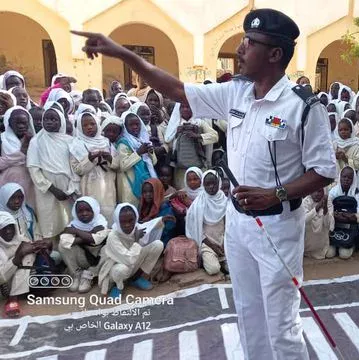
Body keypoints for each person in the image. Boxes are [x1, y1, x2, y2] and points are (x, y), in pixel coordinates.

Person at [74, 9, 337, 357]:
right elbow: (175, 89)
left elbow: (324, 170)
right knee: (248, 315)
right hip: (239, 224)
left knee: (282, 325)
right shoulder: (236, 93)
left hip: (277, 226)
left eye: (250, 43)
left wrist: (275, 193)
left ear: (275, 54)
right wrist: (122, 53)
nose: (241, 49)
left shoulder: (302, 106)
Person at [26, 107, 78, 241]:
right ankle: (51, 250)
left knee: (68, 219)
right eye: (46, 119)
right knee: (49, 220)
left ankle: (66, 248)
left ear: (61, 122)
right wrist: (52, 189)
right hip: (46, 191)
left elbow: (74, 166)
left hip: (67, 189)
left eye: (54, 119)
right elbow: (34, 169)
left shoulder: (69, 141)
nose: (49, 122)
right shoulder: (36, 141)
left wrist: (72, 187)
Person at [97, 203, 164, 297]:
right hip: (116, 268)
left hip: (132, 265)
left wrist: (162, 220)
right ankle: (118, 286)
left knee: (158, 245)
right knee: (120, 270)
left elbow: (149, 226)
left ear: (135, 219)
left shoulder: (136, 228)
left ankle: (135, 278)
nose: (127, 225)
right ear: (117, 221)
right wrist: (136, 240)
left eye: (131, 221)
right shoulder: (113, 236)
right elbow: (128, 260)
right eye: (123, 222)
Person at [69, 112, 117, 222]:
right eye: (85, 125)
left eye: (92, 124)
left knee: (108, 212)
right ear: (80, 128)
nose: (89, 127)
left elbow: (117, 164)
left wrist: (109, 158)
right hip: (89, 184)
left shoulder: (106, 142)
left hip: (107, 184)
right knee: (92, 212)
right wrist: (89, 159)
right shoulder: (76, 145)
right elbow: (77, 169)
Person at [59, 197, 110, 293]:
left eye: (88, 210)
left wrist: (76, 231)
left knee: (110, 248)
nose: (84, 213)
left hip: (98, 259)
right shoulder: (74, 224)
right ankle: (76, 274)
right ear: (75, 212)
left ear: (94, 210)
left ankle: (88, 276)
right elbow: (64, 241)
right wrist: (89, 234)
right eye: (80, 211)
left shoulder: (100, 222)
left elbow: (96, 240)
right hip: (82, 258)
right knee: (62, 246)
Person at [0, 211, 44, 318]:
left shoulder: (20, 238)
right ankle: (13, 297)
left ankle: (13, 297)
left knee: (28, 254)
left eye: (11, 227)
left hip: (18, 281)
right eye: (4, 228)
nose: (9, 231)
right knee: (23, 255)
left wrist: (39, 247)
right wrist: (17, 258)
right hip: (3, 286)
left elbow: (32, 251)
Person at [164, 102, 218, 186]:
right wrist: (176, 134)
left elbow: (215, 136)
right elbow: (168, 142)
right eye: (183, 107)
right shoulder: (175, 124)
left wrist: (197, 136)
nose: (185, 109)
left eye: (188, 107)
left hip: (199, 167)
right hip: (181, 169)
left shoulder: (199, 123)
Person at [185, 170, 227, 275]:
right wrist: (213, 246)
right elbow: (195, 229)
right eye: (207, 184)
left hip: (224, 243)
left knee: (235, 268)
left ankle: (222, 260)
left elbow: (229, 225)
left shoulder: (224, 201)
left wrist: (224, 243)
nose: (211, 187)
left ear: (219, 183)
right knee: (214, 269)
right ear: (203, 185)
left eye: (214, 183)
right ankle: (207, 259)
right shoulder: (199, 203)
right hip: (206, 244)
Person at [116, 111, 157, 206]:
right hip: (130, 183)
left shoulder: (144, 140)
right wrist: (138, 152)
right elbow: (123, 165)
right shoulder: (123, 143)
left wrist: (150, 152)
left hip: (146, 182)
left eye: (137, 124)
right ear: (125, 127)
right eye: (131, 125)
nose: (135, 127)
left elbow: (153, 163)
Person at [0, 106, 36, 208]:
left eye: (24, 123)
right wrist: (21, 154)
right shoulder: (2, 139)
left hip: (30, 186)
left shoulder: (34, 140)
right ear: (9, 123)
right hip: (7, 184)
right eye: (17, 123)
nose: (21, 126)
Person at [328, 166, 359, 259]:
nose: (346, 179)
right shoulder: (333, 191)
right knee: (329, 253)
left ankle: (352, 244)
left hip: (350, 227)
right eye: (344, 177)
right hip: (335, 226)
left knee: (344, 255)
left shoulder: (356, 193)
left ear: (353, 179)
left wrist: (351, 217)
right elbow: (328, 209)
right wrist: (335, 216)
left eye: (349, 178)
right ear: (340, 177)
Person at [138, 179, 176, 246]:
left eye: (151, 191)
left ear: (157, 191)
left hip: (162, 243)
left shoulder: (166, 208)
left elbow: (166, 230)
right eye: (144, 192)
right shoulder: (144, 207)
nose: (147, 194)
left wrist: (152, 223)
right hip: (147, 241)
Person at [333, 118, 359, 187]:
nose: (343, 132)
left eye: (346, 130)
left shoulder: (356, 144)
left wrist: (345, 159)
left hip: (352, 179)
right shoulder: (335, 144)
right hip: (337, 179)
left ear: (351, 130)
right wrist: (334, 157)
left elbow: (358, 165)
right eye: (340, 130)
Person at [302, 188, 333, 259]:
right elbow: (304, 220)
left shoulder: (328, 202)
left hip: (322, 244)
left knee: (330, 254)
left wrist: (325, 209)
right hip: (308, 242)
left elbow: (329, 224)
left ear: (324, 192)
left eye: (319, 191)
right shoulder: (306, 201)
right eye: (314, 191)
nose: (316, 194)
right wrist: (317, 208)